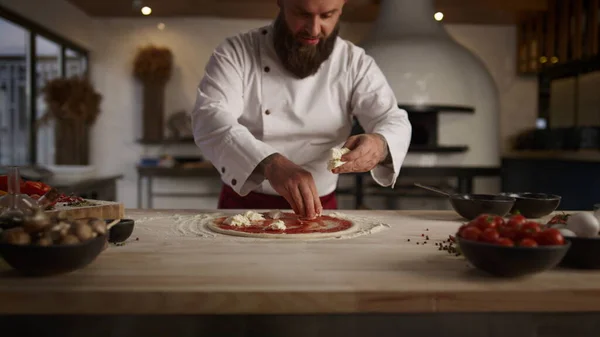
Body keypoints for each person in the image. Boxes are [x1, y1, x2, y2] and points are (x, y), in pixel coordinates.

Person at [191, 0, 412, 219]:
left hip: (319, 207)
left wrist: (380, 143)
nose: (314, 29)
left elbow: (392, 118)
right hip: (244, 206)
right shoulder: (236, 53)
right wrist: (269, 163)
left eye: (327, 16)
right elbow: (210, 117)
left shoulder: (354, 63)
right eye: (302, 14)